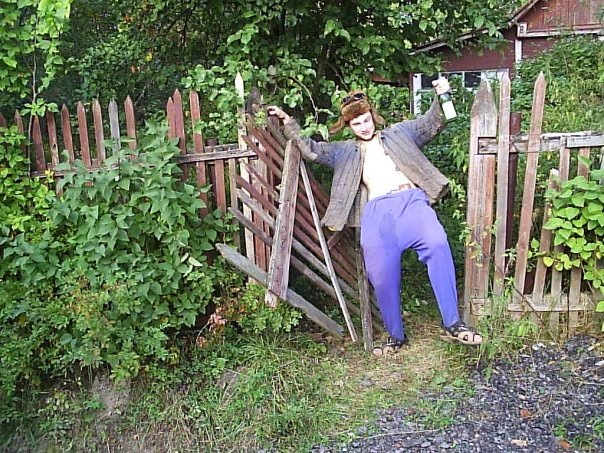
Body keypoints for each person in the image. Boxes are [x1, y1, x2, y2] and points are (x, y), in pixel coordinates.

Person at [267, 78, 482, 355]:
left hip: (411, 203)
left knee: (437, 243)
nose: (364, 127)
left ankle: (453, 323)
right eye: (357, 123)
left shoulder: (400, 133)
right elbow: (312, 150)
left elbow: (432, 123)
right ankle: (396, 337)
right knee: (380, 273)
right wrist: (288, 122)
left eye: (366, 120)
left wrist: (442, 95)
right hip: (377, 212)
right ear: (349, 126)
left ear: (373, 116)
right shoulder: (344, 151)